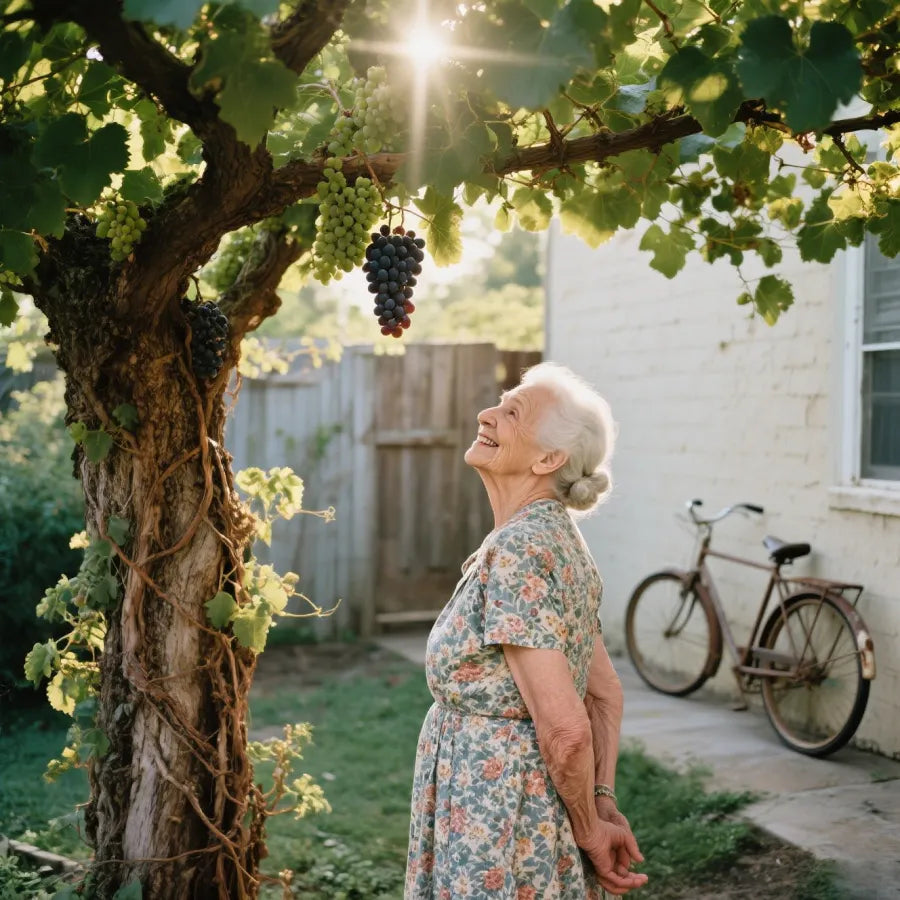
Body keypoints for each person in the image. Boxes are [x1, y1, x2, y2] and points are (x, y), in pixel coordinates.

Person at [405, 362, 648, 899]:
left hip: (496, 813)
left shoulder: (519, 551)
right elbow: (604, 693)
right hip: (522, 806)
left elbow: (567, 729)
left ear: (548, 459)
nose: (486, 414)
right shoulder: (557, 540)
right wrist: (601, 799)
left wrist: (590, 829)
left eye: (511, 412)